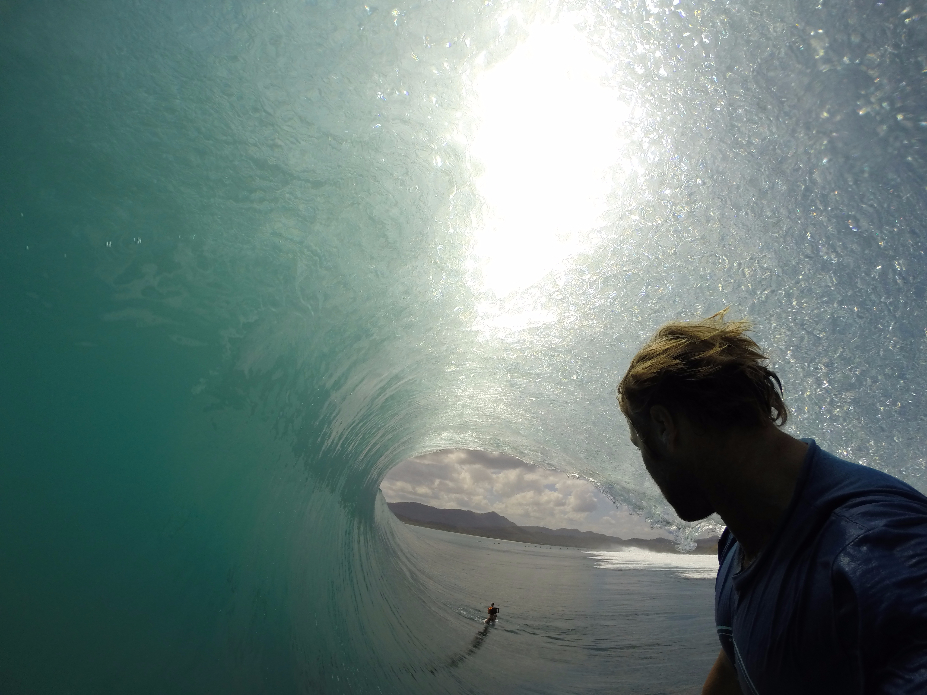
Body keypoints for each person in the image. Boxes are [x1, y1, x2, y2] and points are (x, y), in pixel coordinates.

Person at [617, 309, 927, 694]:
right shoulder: (739, 538)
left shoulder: (879, 551)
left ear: (665, 428)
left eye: (640, 445)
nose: (646, 466)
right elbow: (737, 661)